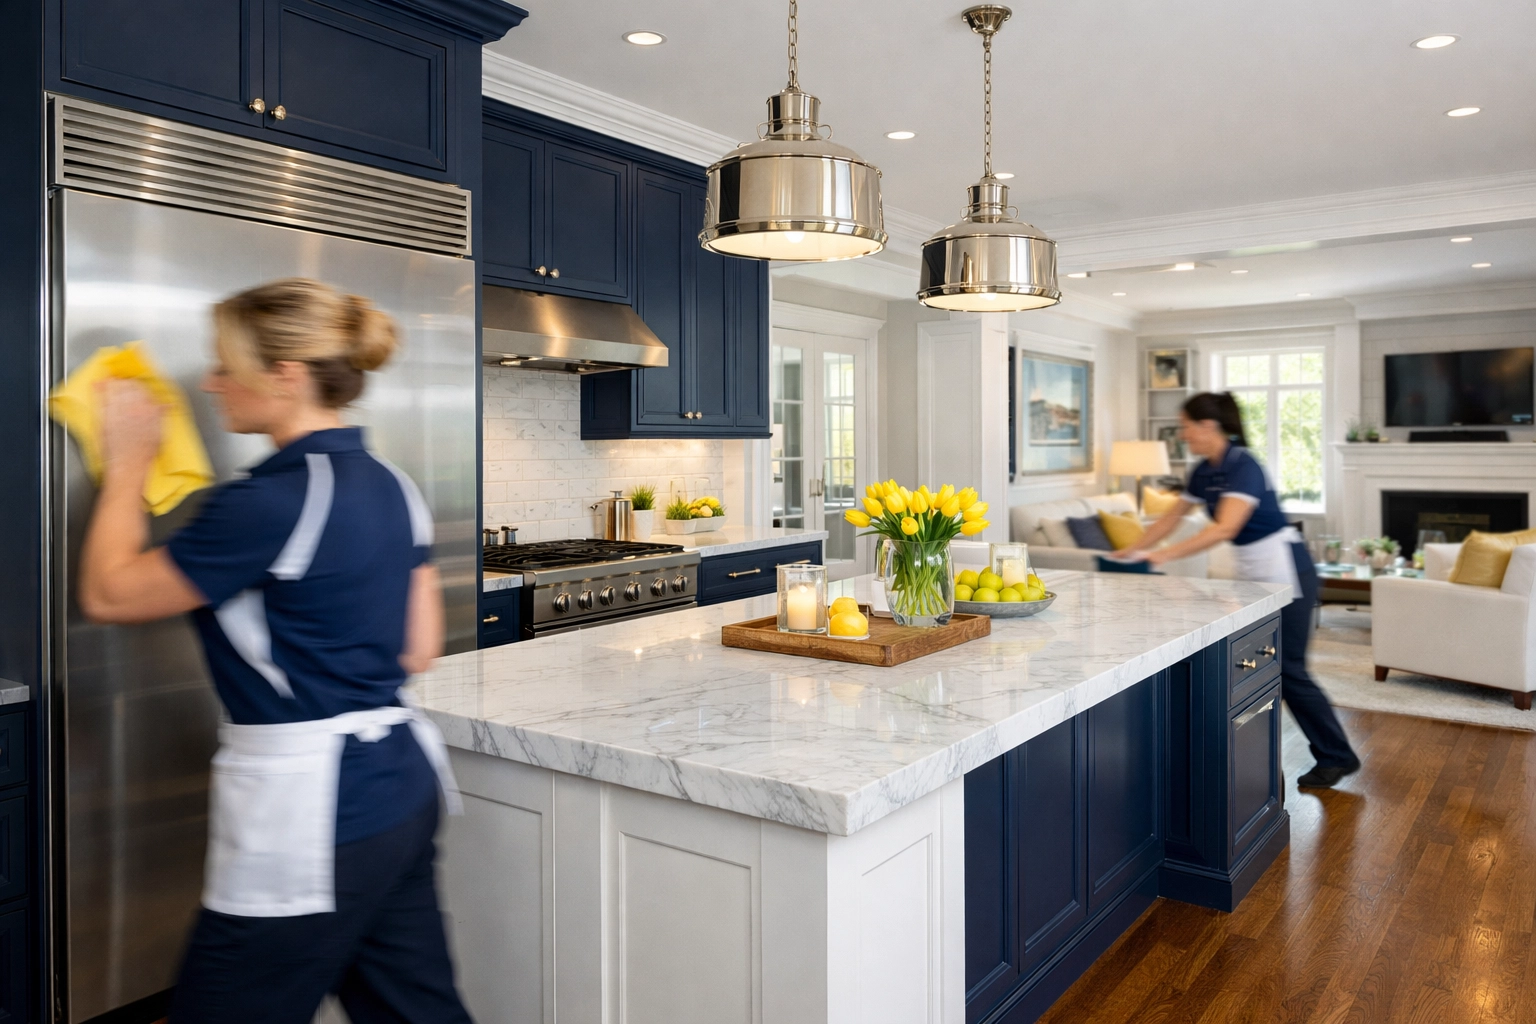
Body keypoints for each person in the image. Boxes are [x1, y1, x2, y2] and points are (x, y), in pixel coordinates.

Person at [77, 278, 473, 1023]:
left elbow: (109, 594)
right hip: (398, 784)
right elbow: (417, 649)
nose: (211, 381)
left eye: (225, 365)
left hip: (314, 808)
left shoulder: (268, 500)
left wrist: (128, 461)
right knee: (415, 1011)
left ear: (284, 376)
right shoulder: (392, 484)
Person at [1120, 391, 1361, 789]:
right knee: (1259, 664)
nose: (1182, 435)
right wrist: (1131, 549)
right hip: (1252, 574)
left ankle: (1336, 756)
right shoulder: (1203, 470)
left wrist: (1165, 556)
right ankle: (1261, 761)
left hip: (1287, 570)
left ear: (1208, 426)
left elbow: (1225, 528)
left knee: (1289, 668)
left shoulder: (1243, 465)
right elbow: (1171, 518)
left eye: (1185, 427)